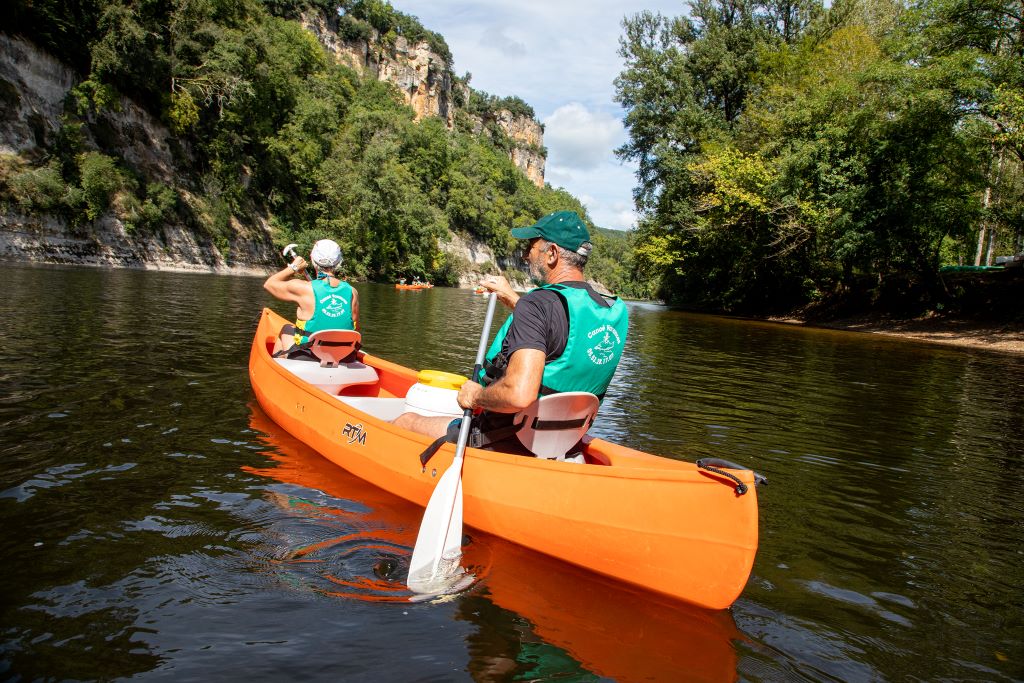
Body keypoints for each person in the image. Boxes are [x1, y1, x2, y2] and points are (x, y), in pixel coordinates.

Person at [393, 210, 629, 451]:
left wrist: (475, 396)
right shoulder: (610, 309)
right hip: (563, 442)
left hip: (505, 440)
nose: (525, 255)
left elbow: (519, 394)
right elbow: (561, 336)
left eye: (531, 247)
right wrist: (517, 302)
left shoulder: (538, 304)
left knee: (405, 421)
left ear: (552, 253)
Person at [263, 239, 360, 354]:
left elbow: (269, 284)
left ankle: (279, 364)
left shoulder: (303, 288)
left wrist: (294, 267)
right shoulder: (352, 292)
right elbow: (355, 329)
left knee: (286, 329)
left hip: (308, 354)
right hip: (344, 356)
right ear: (339, 261)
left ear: (311, 257)